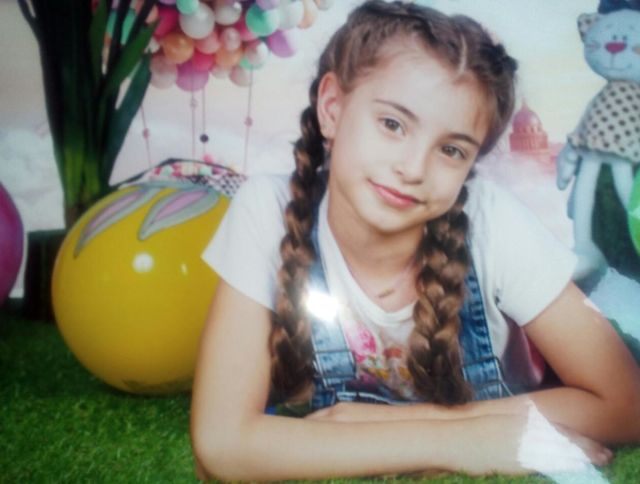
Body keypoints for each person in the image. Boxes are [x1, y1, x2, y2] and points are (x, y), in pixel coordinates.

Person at [190, 1, 640, 480]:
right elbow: (223, 443)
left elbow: (627, 404)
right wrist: (470, 442)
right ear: (332, 108)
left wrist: (388, 425)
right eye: (392, 124)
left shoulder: (491, 220)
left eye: (451, 150)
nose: (413, 168)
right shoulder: (269, 209)